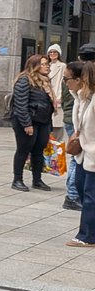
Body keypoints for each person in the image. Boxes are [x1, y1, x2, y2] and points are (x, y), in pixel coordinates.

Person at [10, 53, 56, 192]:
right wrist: (26, 124)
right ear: (34, 66)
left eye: (47, 64)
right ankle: (17, 180)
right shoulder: (24, 80)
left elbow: (48, 103)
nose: (46, 66)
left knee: (39, 151)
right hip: (28, 121)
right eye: (43, 64)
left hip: (43, 121)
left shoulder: (45, 81)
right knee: (23, 150)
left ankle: (37, 180)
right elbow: (20, 104)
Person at [67, 61, 95, 247]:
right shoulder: (80, 98)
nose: (65, 83)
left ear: (80, 79)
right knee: (81, 189)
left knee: (91, 195)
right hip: (82, 154)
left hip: (92, 154)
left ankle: (87, 236)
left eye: (67, 79)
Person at [63, 61, 84, 211]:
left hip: (76, 126)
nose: (65, 83)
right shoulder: (76, 94)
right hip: (73, 124)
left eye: (66, 79)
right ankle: (72, 195)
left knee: (75, 159)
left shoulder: (83, 95)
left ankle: (72, 194)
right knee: (75, 157)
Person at [48, 43, 67, 133]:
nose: (52, 54)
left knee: (57, 125)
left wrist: (60, 96)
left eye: (55, 52)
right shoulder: (46, 65)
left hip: (57, 95)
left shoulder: (62, 66)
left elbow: (63, 82)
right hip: (47, 95)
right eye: (50, 52)